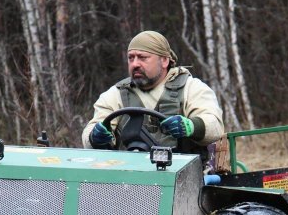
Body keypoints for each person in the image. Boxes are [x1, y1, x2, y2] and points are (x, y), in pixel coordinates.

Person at [82, 31, 224, 160]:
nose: (135, 64)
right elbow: (90, 132)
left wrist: (192, 126)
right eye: (131, 58)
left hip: (186, 177)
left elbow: (215, 126)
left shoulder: (191, 88)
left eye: (143, 58)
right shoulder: (115, 94)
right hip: (128, 175)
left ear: (164, 61)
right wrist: (94, 137)